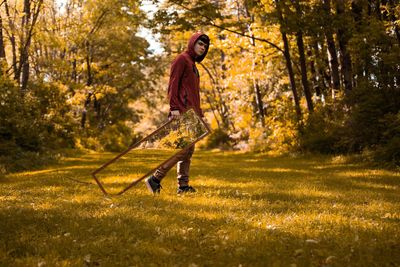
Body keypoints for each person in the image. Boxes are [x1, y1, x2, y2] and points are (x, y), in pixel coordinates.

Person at [145, 32, 210, 194]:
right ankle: (155, 179)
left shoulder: (193, 65)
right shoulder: (182, 59)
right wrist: (173, 107)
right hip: (181, 111)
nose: (203, 48)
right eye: (200, 44)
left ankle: (183, 186)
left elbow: (194, 93)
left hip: (192, 114)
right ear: (192, 43)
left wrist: (199, 114)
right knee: (181, 150)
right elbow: (173, 85)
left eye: (205, 46)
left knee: (188, 151)